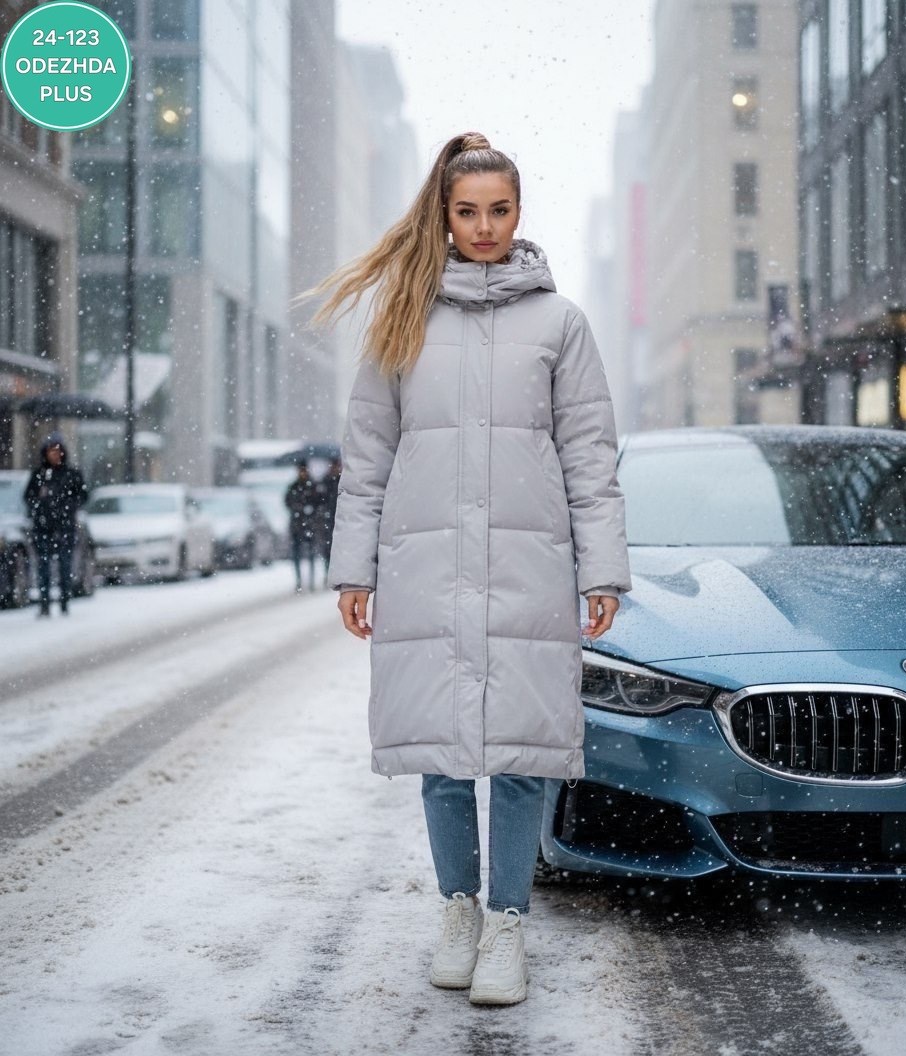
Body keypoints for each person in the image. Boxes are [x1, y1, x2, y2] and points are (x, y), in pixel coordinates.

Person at [313, 133, 630, 1005]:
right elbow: (368, 457)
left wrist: (602, 573)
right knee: (444, 757)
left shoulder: (561, 325)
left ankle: (506, 926)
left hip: (530, 567)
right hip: (429, 568)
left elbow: (590, 457)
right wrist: (355, 572)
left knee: (522, 756)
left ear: (519, 213)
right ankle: (458, 912)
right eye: (467, 211)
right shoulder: (402, 319)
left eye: (499, 210)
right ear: (444, 216)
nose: (483, 227)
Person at [23, 433, 88, 617]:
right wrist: (39, 502)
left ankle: (64, 602)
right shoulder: (38, 475)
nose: (54, 455)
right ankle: (44, 604)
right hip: (43, 528)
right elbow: (28, 497)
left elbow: (83, 496)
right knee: (43, 566)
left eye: (57, 451)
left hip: (65, 527)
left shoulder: (71, 474)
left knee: (64, 565)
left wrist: (68, 506)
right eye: (51, 451)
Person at [284, 460, 318, 593]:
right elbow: (287, 502)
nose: (302, 473)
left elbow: (319, 502)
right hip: (297, 525)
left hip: (309, 525)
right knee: (297, 555)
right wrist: (298, 508)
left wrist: (309, 510)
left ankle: (311, 580)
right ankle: (299, 580)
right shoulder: (293, 486)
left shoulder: (313, 486)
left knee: (310, 554)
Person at [315, 458, 340, 588]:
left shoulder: (342, 480)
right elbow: (318, 500)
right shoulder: (325, 482)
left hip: (338, 519)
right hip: (328, 520)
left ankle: (336, 573)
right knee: (327, 549)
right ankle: (329, 573)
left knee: (337, 548)